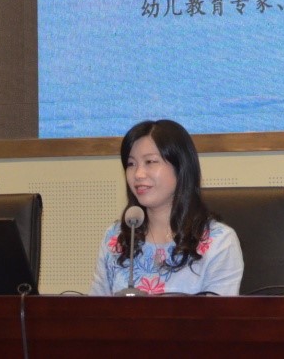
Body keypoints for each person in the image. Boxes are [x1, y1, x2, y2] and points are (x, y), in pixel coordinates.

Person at [90, 119, 243, 296]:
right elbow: (93, 310)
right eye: (131, 164)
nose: (138, 174)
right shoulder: (116, 238)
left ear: (180, 167)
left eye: (150, 162)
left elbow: (220, 313)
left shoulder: (219, 242)